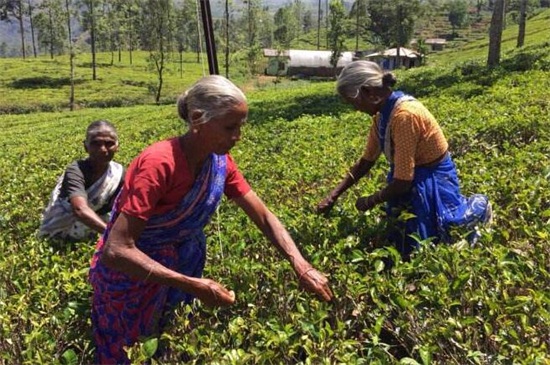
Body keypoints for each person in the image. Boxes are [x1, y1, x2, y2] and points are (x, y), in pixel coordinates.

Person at [89, 75, 333, 364]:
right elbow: (116, 250)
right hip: (133, 277)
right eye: (230, 127)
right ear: (197, 119)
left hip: (180, 266)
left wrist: (301, 265)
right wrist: (193, 284)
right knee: (126, 353)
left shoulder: (219, 162)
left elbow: (264, 216)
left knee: (172, 345)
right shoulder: (159, 163)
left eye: (240, 126)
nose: (237, 136)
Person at [317, 60, 492, 258]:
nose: (356, 109)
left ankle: (480, 209)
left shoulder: (404, 116)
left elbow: (402, 182)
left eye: (354, 102)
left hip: (432, 176)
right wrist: (333, 195)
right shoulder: (382, 116)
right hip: (408, 177)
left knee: (438, 238)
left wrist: (371, 200)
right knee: (400, 234)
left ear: (368, 92)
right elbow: (366, 161)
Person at [39, 120, 124, 241]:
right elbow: (80, 210)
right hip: (61, 231)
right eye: (95, 143)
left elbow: (120, 208)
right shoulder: (76, 170)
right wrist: (112, 235)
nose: (103, 149)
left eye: (109, 143)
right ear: (85, 146)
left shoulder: (119, 173)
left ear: (117, 146)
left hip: (95, 229)